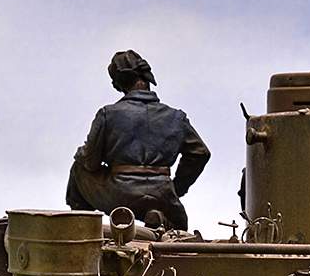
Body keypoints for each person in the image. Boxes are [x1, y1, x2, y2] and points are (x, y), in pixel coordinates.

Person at [65, 51, 211, 230]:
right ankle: (161, 219)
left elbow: (90, 162)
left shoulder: (108, 114)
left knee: (78, 168)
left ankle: (83, 228)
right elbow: (200, 153)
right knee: (176, 224)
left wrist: (81, 153)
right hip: (163, 195)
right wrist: (176, 188)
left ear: (118, 84)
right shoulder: (176, 117)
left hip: (119, 195)